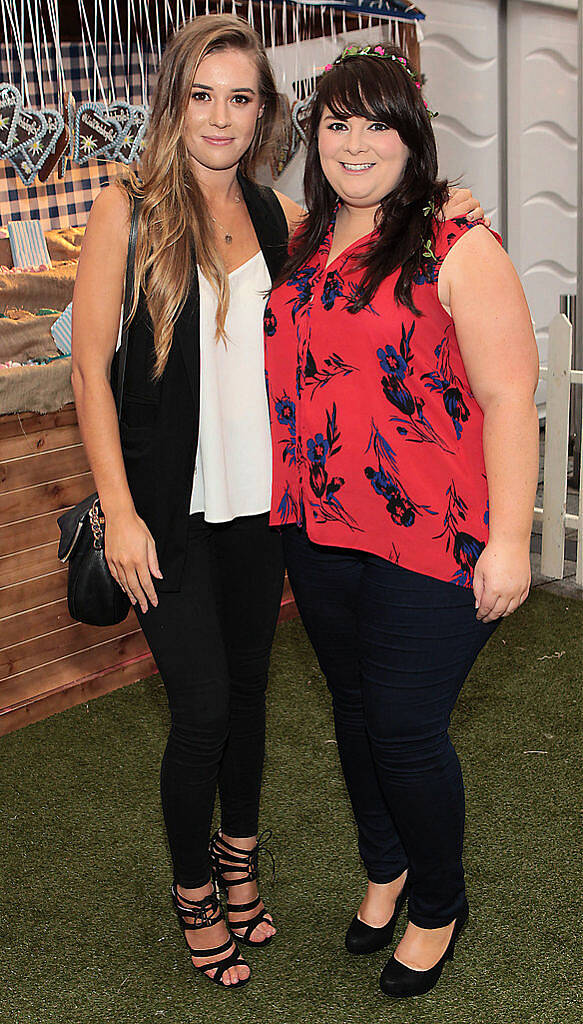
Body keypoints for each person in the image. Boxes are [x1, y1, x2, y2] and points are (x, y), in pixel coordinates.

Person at [72, 14, 484, 991]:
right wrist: (119, 511)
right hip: (166, 516)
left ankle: (241, 867)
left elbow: (372, 223)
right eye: (202, 94)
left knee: (251, 702)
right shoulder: (123, 204)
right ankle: (193, 891)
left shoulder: (273, 217)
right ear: (175, 100)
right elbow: (89, 370)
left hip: (263, 514)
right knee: (204, 708)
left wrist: (445, 205)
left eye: (241, 97)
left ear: (264, 114)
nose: (220, 115)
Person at [264, 43, 539, 999]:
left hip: (437, 537)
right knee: (354, 712)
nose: (355, 140)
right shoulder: (298, 239)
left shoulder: (459, 245)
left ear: (411, 136)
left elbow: (510, 396)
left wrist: (510, 539)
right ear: (314, 136)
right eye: (336, 121)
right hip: (319, 528)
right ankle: (384, 871)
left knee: (405, 726)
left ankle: (437, 905)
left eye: (377, 121)